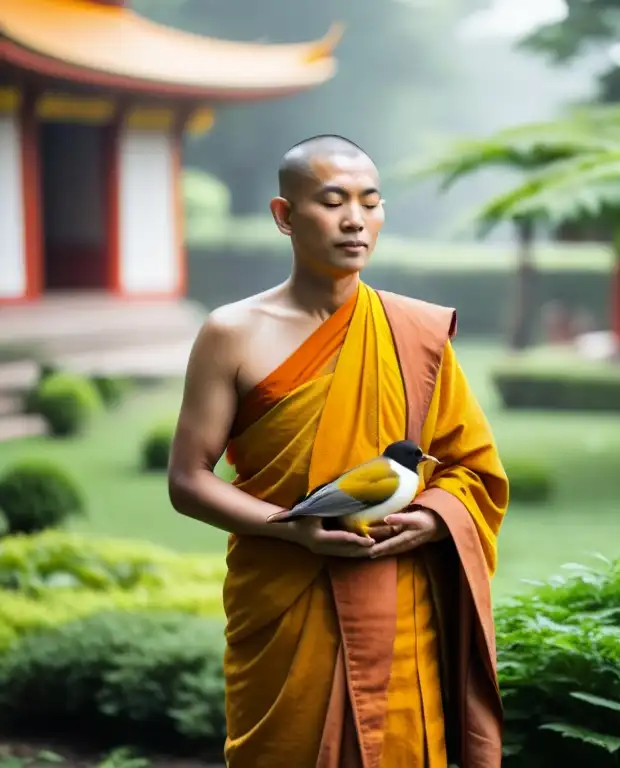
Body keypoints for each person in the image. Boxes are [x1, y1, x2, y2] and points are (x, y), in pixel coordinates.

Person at [167, 134, 508, 768]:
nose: (356, 219)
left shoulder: (416, 334)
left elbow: (470, 469)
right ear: (284, 216)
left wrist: (434, 517)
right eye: (332, 201)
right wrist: (292, 531)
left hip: (398, 600)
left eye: (370, 202)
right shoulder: (233, 333)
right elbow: (188, 480)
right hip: (285, 596)